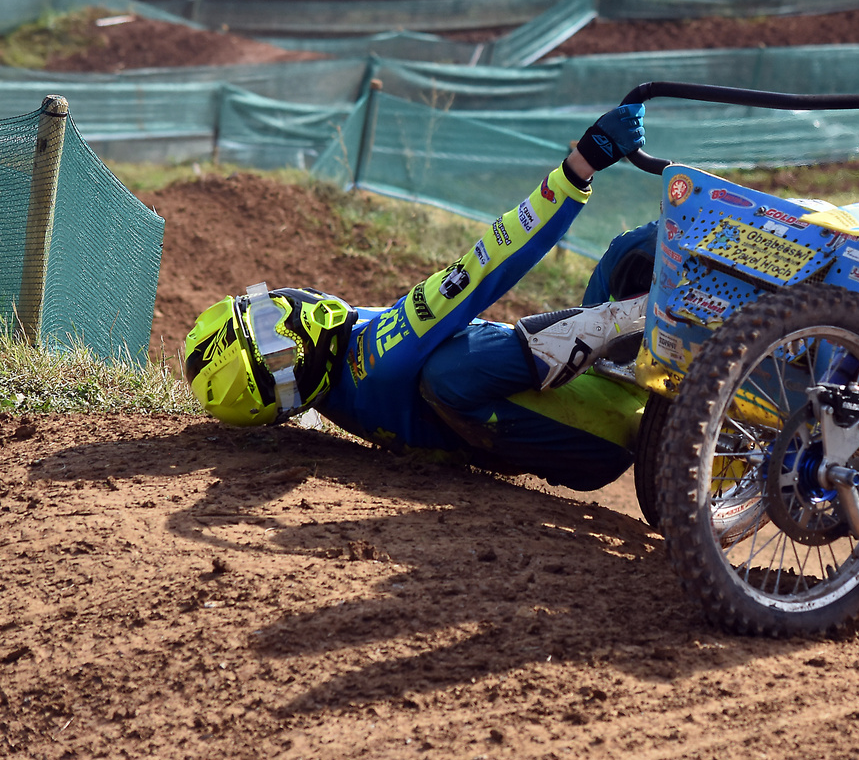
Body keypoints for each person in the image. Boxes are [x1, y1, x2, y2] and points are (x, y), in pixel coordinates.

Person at [182, 104, 652, 491]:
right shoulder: (381, 352)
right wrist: (581, 164)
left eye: (261, 311)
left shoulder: (318, 398)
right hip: (601, 428)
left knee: (626, 253)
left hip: (583, 433)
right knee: (453, 368)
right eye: (273, 330)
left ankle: (633, 324)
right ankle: (638, 313)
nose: (282, 313)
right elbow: (490, 261)